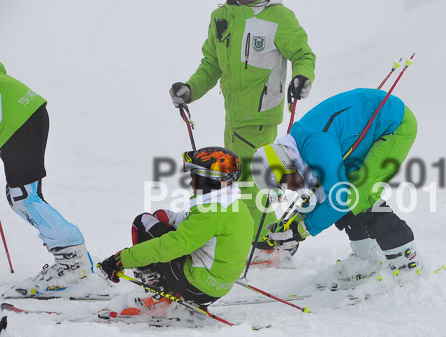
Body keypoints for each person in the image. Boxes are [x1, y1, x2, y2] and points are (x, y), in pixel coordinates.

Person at [169, 0, 316, 257]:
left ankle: (264, 244)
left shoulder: (278, 15)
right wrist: (190, 89)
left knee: (250, 180)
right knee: (239, 178)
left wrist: (302, 76)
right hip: (234, 116)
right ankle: (256, 236)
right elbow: (211, 64)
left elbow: (303, 54)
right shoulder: (221, 17)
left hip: (261, 113)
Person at [251, 88, 422, 286]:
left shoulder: (316, 144)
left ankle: (407, 263)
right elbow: (322, 193)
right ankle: (367, 257)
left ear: (285, 165)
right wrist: (293, 223)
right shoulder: (299, 148)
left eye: (287, 183)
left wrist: (302, 230)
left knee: (360, 195)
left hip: (394, 124)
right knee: (346, 193)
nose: (291, 189)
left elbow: (338, 199)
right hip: (367, 130)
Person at [96, 147, 254, 316]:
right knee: (160, 217)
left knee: (142, 223)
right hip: (216, 283)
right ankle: (164, 290)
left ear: (206, 181)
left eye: (194, 176)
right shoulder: (235, 204)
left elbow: (168, 247)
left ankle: (156, 295)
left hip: (198, 288)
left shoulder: (211, 214)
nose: (190, 182)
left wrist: (120, 260)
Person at [0, 62, 92, 298]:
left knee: (24, 198)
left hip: (19, 121)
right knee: (23, 197)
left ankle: (74, 265)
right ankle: (74, 261)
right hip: (26, 115)